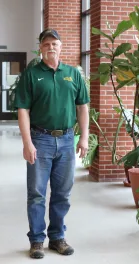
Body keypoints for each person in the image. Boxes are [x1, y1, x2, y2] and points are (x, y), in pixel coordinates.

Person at [14, 28, 90, 259]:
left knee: (62, 193)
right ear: (40, 48)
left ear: (61, 47)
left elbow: (82, 107)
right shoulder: (31, 74)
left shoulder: (73, 74)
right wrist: (27, 143)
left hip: (67, 140)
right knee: (36, 193)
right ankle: (37, 240)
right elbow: (23, 109)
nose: (50, 48)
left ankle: (57, 237)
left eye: (54, 44)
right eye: (46, 44)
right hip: (41, 139)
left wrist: (84, 137)